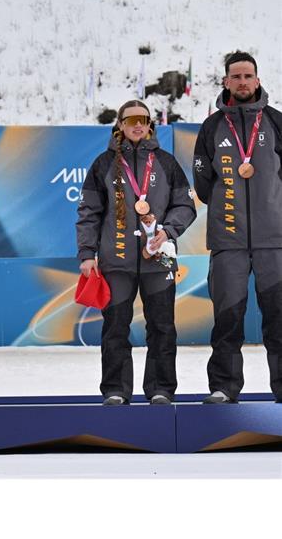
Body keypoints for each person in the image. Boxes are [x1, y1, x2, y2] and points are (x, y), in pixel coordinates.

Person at [75, 99, 196, 405]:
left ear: (150, 124)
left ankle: (161, 390)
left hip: (161, 258)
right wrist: (87, 253)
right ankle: (116, 390)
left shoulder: (166, 163)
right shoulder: (103, 164)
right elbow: (89, 212)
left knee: (163, 328)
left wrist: (168, 231)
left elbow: (185, 205)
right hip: (116, 262)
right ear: (120, 126)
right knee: (115, 327)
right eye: (130, 121)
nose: (137, 125)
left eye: (142, 119)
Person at [192, 51, 282, 404]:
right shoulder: (212, 127)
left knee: (279, 318)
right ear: (226, 82)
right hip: (228, 241)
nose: (242, 82)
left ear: (257, 80)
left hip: (274, 241)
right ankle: (225, 388)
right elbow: (202, 184)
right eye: (236, 77)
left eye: (248, 76)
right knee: (227, 319)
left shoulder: (275, 122)